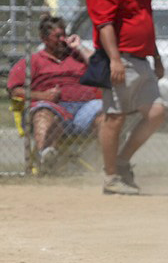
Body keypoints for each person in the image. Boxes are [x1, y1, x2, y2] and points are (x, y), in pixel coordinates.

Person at [86, 0, 166, 195]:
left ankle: (121, 162)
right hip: (120, 60)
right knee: (114, 118)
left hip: (141, 59)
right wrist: (115, 60)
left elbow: (145, 21)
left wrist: (156, 56)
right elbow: (104, 24)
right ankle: (110, 178)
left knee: (156, 113)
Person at [6, 16, 103, 173]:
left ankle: (109, 166)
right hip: (53, 108)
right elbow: (14, 90)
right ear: (44, 39)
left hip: (84, 109)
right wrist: (43, 96)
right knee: (44, 112)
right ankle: (46, 159)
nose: (62, 39)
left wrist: (79, 47)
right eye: (57, 36)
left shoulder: (77, 55)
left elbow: (100, 69)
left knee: (105, 112)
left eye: (64, 34)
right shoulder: (33, 61)